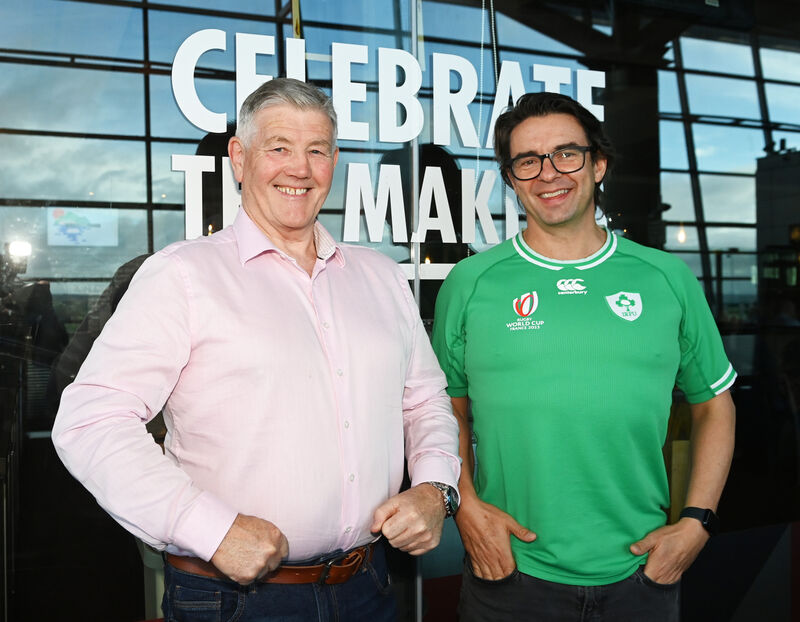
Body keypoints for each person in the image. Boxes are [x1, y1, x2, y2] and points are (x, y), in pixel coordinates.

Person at [52, 78, 460, 622]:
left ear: (334, 162)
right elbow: (89, 421)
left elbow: (425, 400)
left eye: (317, 150)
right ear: (239, 159)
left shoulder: (381, 277)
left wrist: (436, 487)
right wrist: (206, 527)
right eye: (280, 148)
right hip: (231, 601)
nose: (300, 168)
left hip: (369, 587)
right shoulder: (182, 276)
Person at [431, 92, 736, 621]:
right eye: (528, 161)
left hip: (642, 574)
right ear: (511, 178)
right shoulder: (471, 282)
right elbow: (442, 411)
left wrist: (697, 523)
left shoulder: (666, 278)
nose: (549, 173)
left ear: (599, 164)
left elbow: (714, 404)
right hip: (509, 571)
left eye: (566, 154)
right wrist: (468, 510)